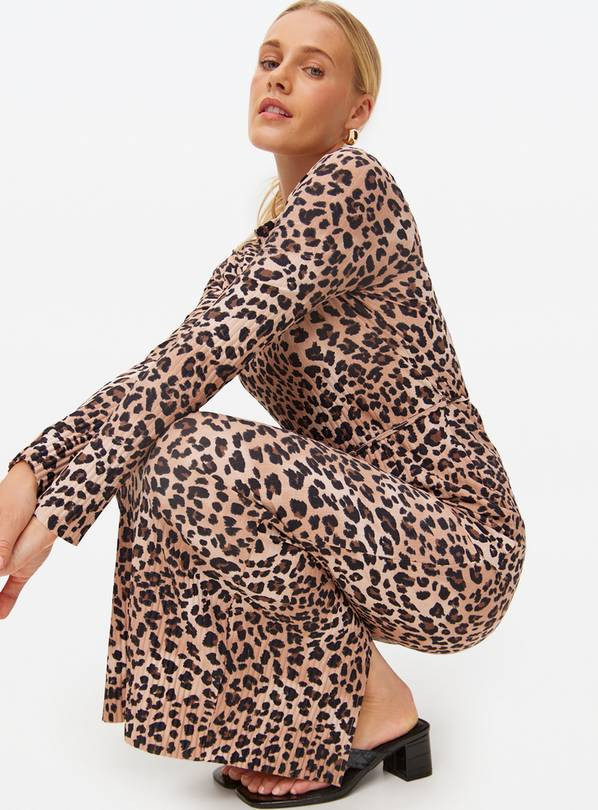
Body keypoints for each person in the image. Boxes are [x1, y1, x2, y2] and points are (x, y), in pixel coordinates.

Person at [0, 1, 526, 806]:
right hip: (355, 536)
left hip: (457, 549)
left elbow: (203, 359)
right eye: (269, 59)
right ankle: (344, 702)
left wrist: (62, 512)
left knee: (188, 452)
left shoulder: (356, 188)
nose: (278, 77)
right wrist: (31, 470)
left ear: (357, 111)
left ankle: (372, 705)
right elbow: (162, 371)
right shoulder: (253, 260)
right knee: (159, 449)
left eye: (313, 68)